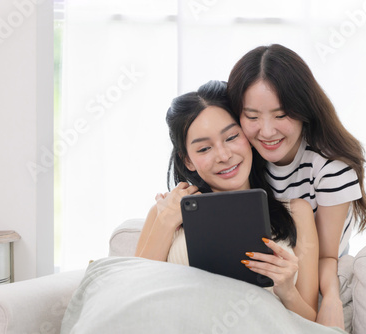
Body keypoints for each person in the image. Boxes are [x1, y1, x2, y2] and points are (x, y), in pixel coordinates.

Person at [135, 80, 320, 321]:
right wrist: (166, 221)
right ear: (188, 160)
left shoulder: (297, 212)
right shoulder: (164, 213)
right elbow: (134, 295)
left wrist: (287, 291)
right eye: (203, 149)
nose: (223, 156)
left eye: (231, 137)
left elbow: (311, 323)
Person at [227, 44, 366, 329]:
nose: (267, 131)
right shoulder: (241, 154)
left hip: (314, 270)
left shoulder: (331, 168)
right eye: (252, 117)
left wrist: (331, 298)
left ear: (303, 109)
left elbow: (327, 254)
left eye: (281, 115)